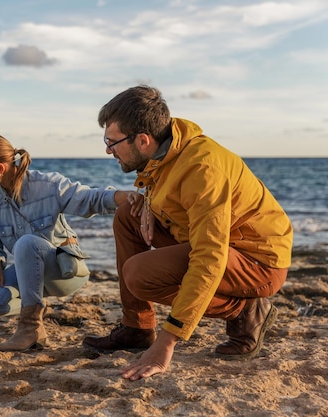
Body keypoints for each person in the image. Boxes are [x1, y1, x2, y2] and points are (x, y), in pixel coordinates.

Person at [82, 85, 293, 380]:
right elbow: (177, 200)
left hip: (258, 261)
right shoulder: (165, 151)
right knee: (126, 216)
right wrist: (148, 204)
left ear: (142, 140)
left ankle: (245, 311)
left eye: (111, 141)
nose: (108, 150)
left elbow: (210, 255)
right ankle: (137, 327)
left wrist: (168, 340)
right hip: (217, 244)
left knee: (138, 274)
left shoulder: (202, 168)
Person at [0, 134, 134, 352]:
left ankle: (28, 327)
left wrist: (128, 196)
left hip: (64, 272)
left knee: (27, 243)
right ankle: (36, 320)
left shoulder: (48, 185)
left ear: (0, 168)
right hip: (29, 276)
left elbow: (90, 199)